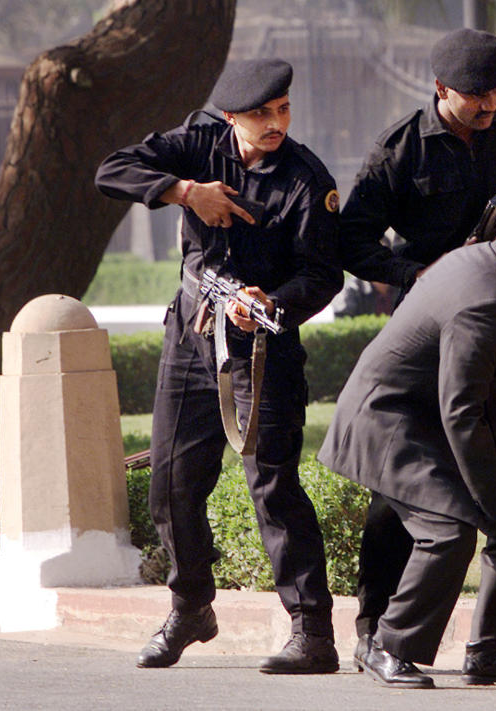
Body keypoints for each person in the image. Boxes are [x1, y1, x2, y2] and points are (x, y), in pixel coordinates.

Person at [94, 58, 343, 674]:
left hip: (263, 351)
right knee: (172, 484)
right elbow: (111, 171)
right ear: (232, 117)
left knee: (273, 487)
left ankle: (312, 632)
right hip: (191, 339)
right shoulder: (199, 144)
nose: (275, 123)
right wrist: (185, 192)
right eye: (262, 114)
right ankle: (191, 608)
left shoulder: (307, 179)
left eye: (283, 109)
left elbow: (323, 274)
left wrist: (272, 303)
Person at [338, 27, 496, 663]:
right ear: (441, 89)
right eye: (476, 95)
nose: (489, 104)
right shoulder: (400, 151)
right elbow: (352, 241)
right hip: (431, 318)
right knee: (406, 486)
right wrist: (423, 274)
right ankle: (375, 624)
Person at [319, 182, 496, 688]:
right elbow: (461, 412)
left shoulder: (487, 262)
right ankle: (387, 645)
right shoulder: (488, 297)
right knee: (449, 529)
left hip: (423, 419)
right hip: (387, 425)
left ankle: (490, 648)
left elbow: (485, 370)